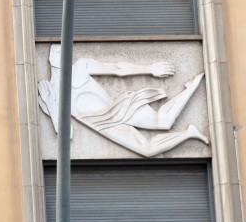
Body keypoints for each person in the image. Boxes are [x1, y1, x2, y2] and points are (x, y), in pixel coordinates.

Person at [38, 44, 208, 157]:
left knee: (163, 121)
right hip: (103, 125)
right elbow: (65, 133)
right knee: (147, 150)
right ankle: (189, 133)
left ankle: (191, 87)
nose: (64, 55)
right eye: (58, 52)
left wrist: (150, 69)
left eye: (65, 50)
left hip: (117, 108)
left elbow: (117, 68)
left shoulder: (80, 67)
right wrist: (51, 103)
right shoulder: (48, 93)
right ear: (50, 57)